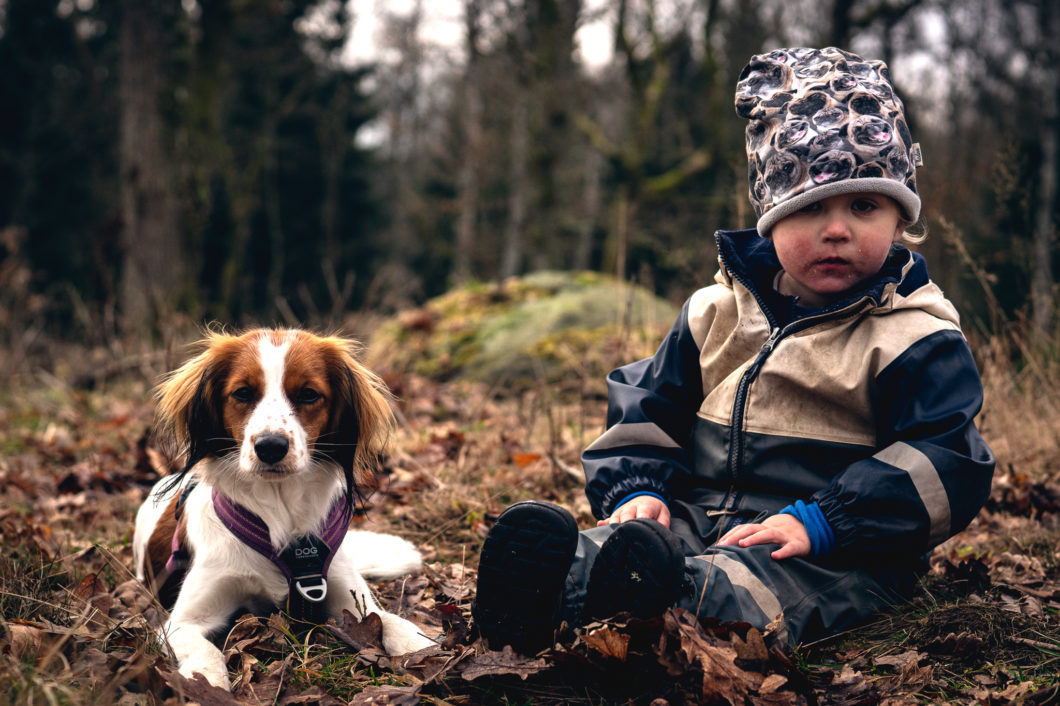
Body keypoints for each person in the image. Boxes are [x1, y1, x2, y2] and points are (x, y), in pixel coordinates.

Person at [472, 46, 996, 654]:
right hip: (696, 516)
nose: (837, 229)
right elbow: (648, 406)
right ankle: (543, 595)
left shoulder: (914, 336)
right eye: (810, 208)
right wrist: (640, 488)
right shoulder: (716, 312)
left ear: (900, 221)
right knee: (618, 548)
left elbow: (946, 461)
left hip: (834, 549)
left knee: (739, 591)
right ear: (770, 221)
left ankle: (652, 614)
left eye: (864, 206)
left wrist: (827, 520)